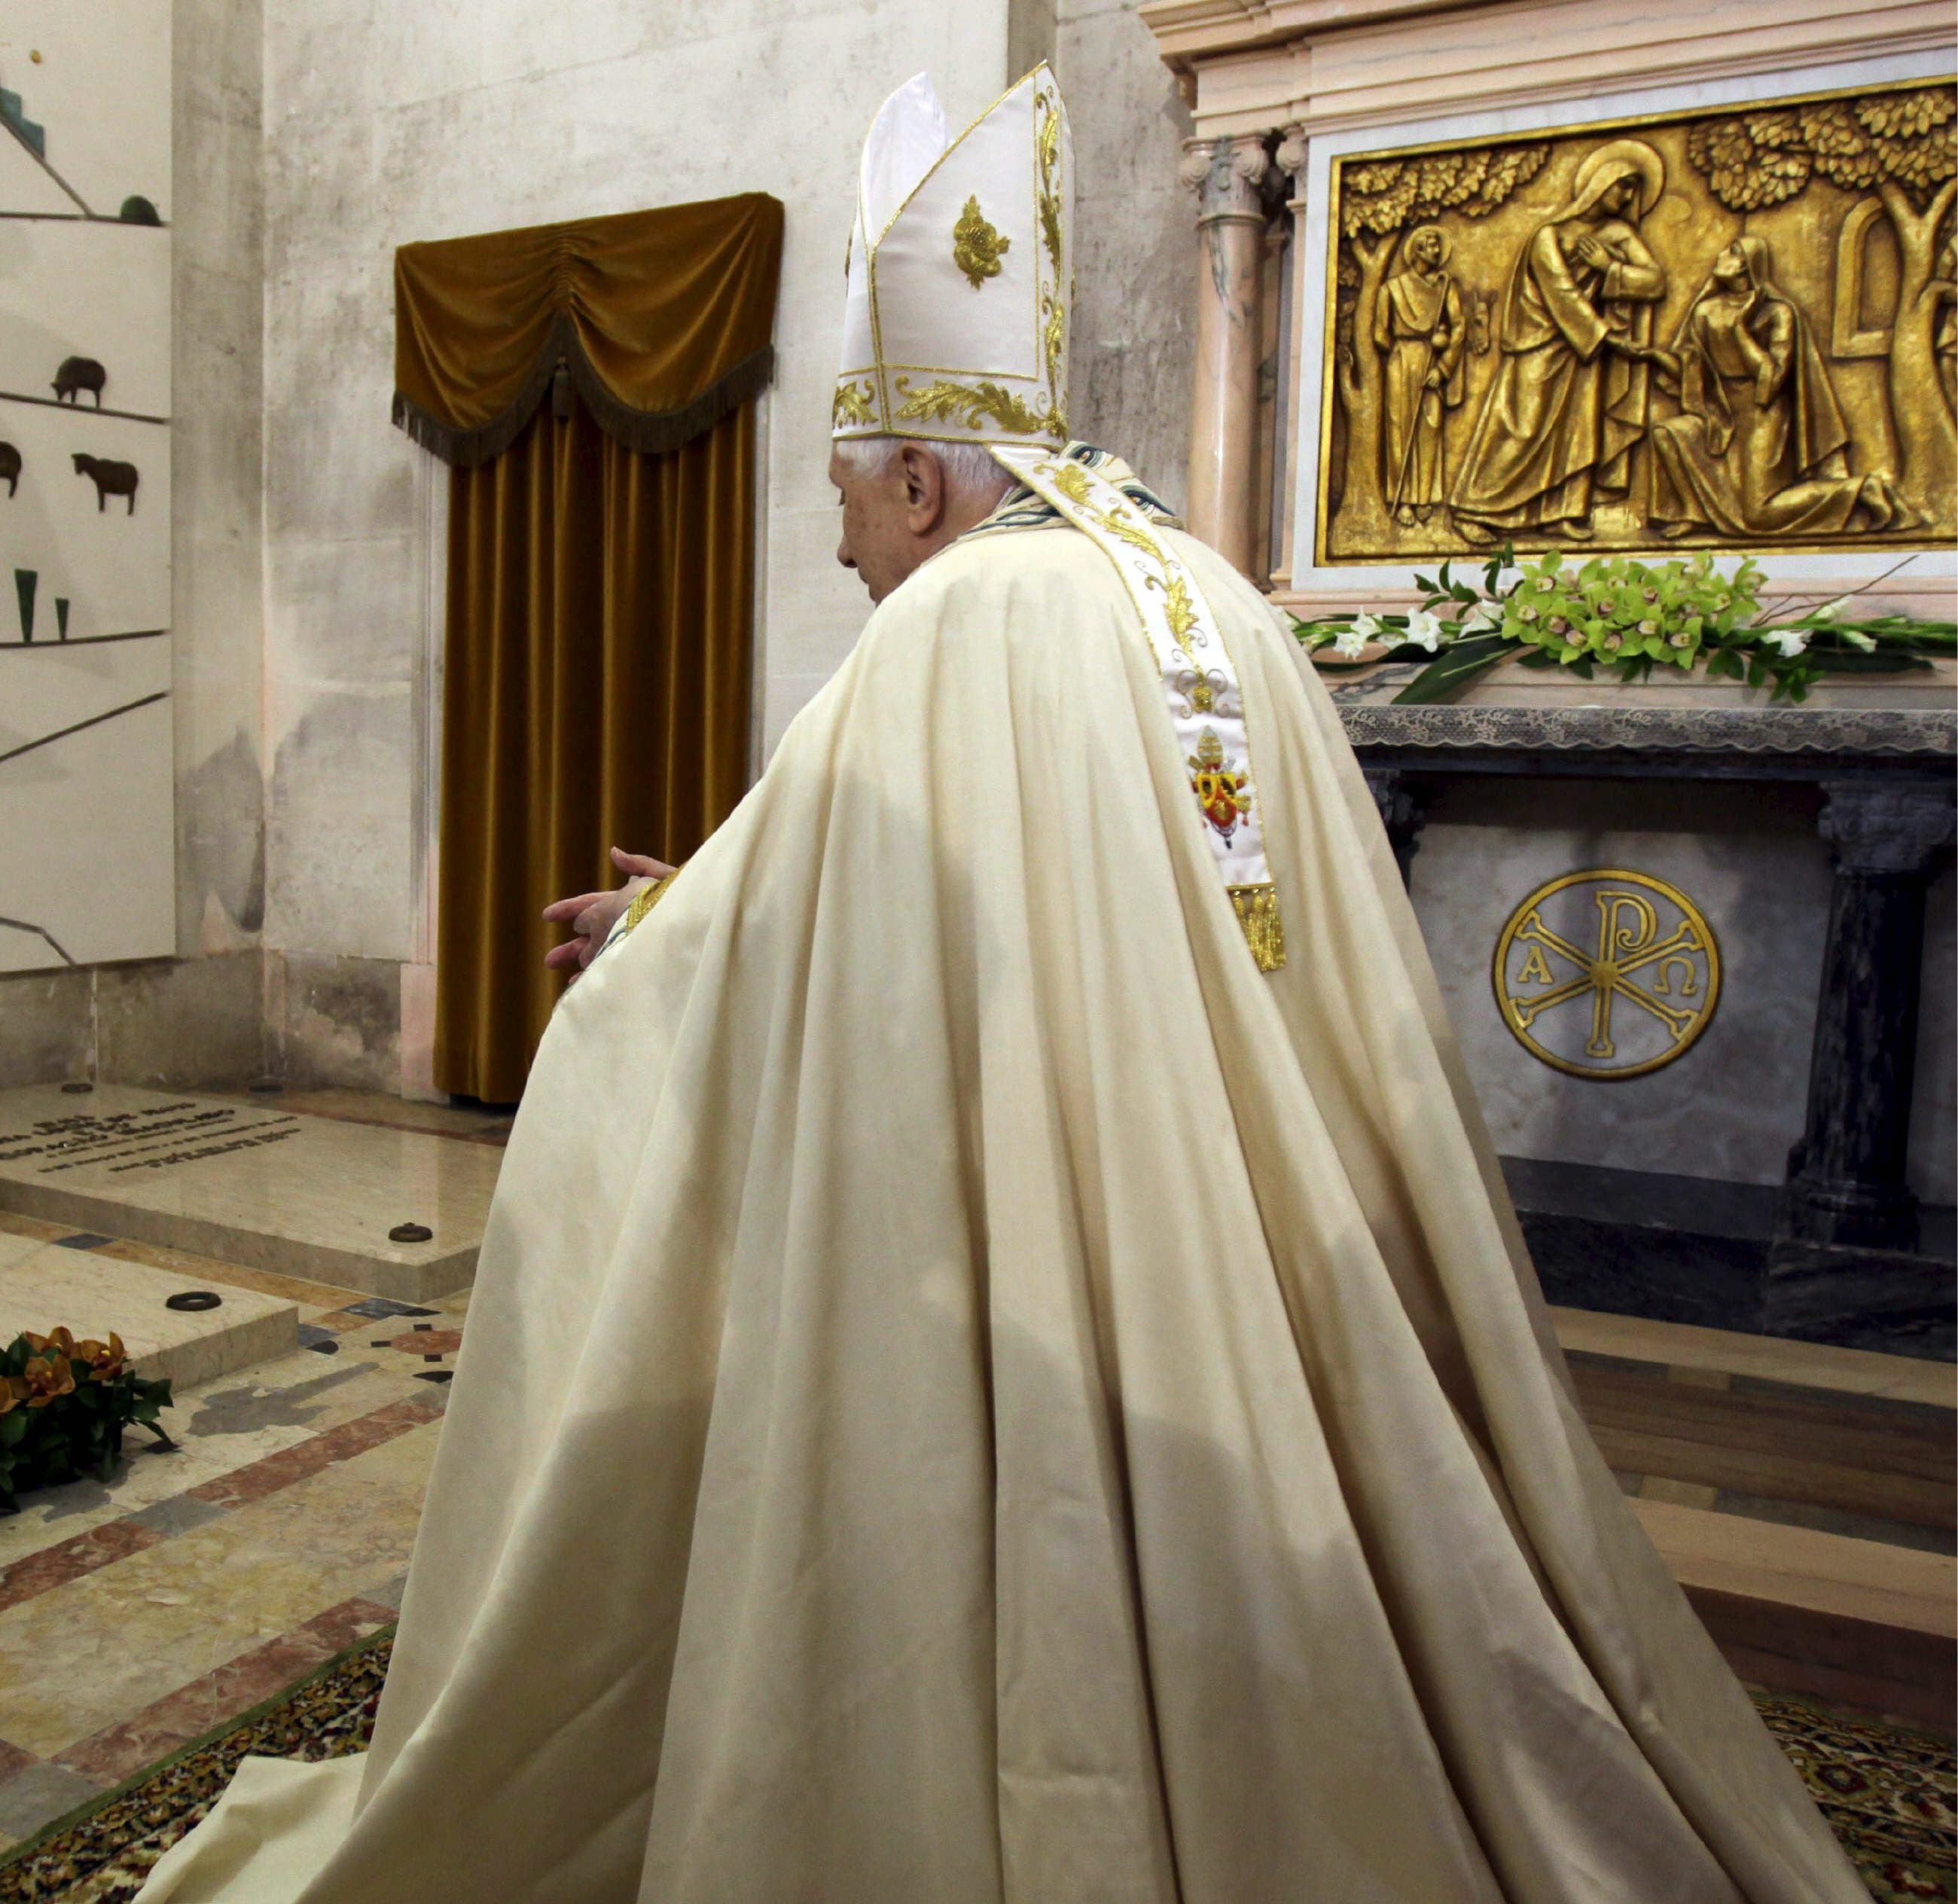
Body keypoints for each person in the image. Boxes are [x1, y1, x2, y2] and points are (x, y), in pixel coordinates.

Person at [136, 68, 1865, 1904]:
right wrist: (708, 907)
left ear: (909, 474)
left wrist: (644, 948)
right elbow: (920, 902)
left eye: (839, 500)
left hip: (1065, 1280)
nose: (835, 546)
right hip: (1278, 1266)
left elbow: (832, 951)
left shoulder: (965, 618)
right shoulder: (1211, 592)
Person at [1453, 141, 1668, 540]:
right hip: (1544, 343)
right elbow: (1560, 291)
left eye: (1633, 191)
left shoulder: (1619, 234)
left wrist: (1611, 268)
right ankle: (1474, 507)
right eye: (1622, 187)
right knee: (1522, 428)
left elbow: (1655, 281)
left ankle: (1565, 512)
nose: (1627, 198)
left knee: (1580, 431)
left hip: (1586, 352)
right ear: (1600, 186)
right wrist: (1603, 334)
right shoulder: (1548, 237)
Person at [1647, 236, 1905, 538]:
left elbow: (1770, 381)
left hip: (1763, 415)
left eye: (1731, 252)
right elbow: (1690, 370)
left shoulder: (1779, 313)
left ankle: (1859, 491)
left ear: (1745, 264)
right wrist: (1651, 355)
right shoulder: (1705, 311)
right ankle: (1693, 513)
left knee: (1759, 514)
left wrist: (1741, 330)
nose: (1720, 255)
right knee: (1668, 433)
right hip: (1720, 411)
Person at [1374, 224, 1466, 528]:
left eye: (1438, 245)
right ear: (1415, 251)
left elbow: (1459, 329)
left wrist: (1442, 365)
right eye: (1429, 244)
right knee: (1400, 427)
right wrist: (1407, 348)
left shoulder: (1445, 288)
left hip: (1432, 363)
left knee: (1429, 425)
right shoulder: (1392, 289)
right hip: (1402, 361)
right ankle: (1402, 499)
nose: (1436, 250)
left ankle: (1425, 495)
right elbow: (1380, 334)